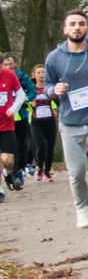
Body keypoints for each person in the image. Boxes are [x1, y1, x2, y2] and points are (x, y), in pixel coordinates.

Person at [43, 10, 88, 228]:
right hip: (69, 120)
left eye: (81, 24)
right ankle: (83, 209)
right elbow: (47, 87)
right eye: (73, 24)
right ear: (65, 29)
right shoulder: (54, 58)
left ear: (87, 28)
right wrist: (54, 90)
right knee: (76, 173)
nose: (77, 27)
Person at [0, 56, 22, 200]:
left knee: (7, 161)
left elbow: (21, 95)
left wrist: (14, 109)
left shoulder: (9, 75)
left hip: (6, 124)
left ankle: (7, 173)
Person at [29, 67, 56, 183]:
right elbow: (24, 101)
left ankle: (47, 171)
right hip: (36, 121)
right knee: (41, 146)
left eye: (43, 72)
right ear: (34, 75)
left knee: (50, 147)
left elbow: (57, 100)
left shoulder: (50, 88)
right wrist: (31, 104)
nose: (41, 75)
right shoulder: (31, 89)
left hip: (50, 120)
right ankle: (39, 168)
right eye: (38, 73)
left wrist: (54, 107)